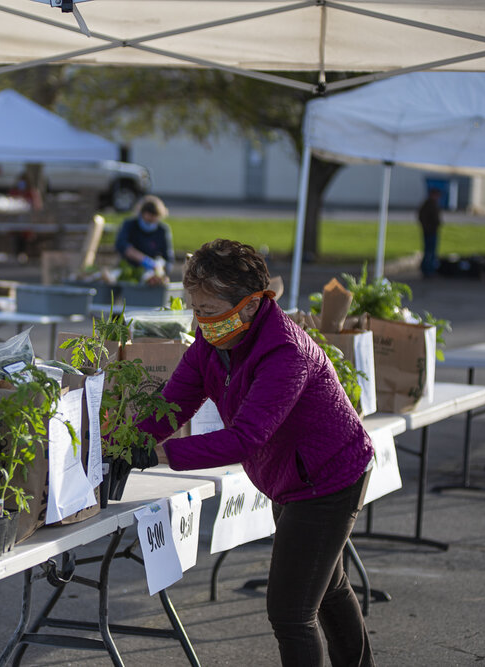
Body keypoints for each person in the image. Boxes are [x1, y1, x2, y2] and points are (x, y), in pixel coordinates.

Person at [135, 239, 375, 667]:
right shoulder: (211, 344)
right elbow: (171, 405)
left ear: (249, 306)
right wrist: (127, 441)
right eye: (195, 309)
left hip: (329, 476)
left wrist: (160, 456)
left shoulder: (284, 352)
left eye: (208, 311)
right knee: (328, 586)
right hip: (290, 475)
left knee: (291, 611)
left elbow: (246, 438)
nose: (200, 321)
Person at [115, 194, 174, 274]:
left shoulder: (162, 230)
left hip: (152, 273)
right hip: (129, 269)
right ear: (142, 214)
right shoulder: (130, 225)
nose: (150, 222)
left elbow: (169, 260)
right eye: (148, 219)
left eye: (153, 219)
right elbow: (121, 245)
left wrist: (160, 268)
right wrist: (142, 259)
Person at [417, 187, 442, 277]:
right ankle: (427, 270)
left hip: (432, 231)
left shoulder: (432, 204)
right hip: (429, 232)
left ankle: (429, 269)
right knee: (429, 252)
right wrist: (427, 227)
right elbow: (422, 217)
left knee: (431, 251)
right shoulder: (429, 204)